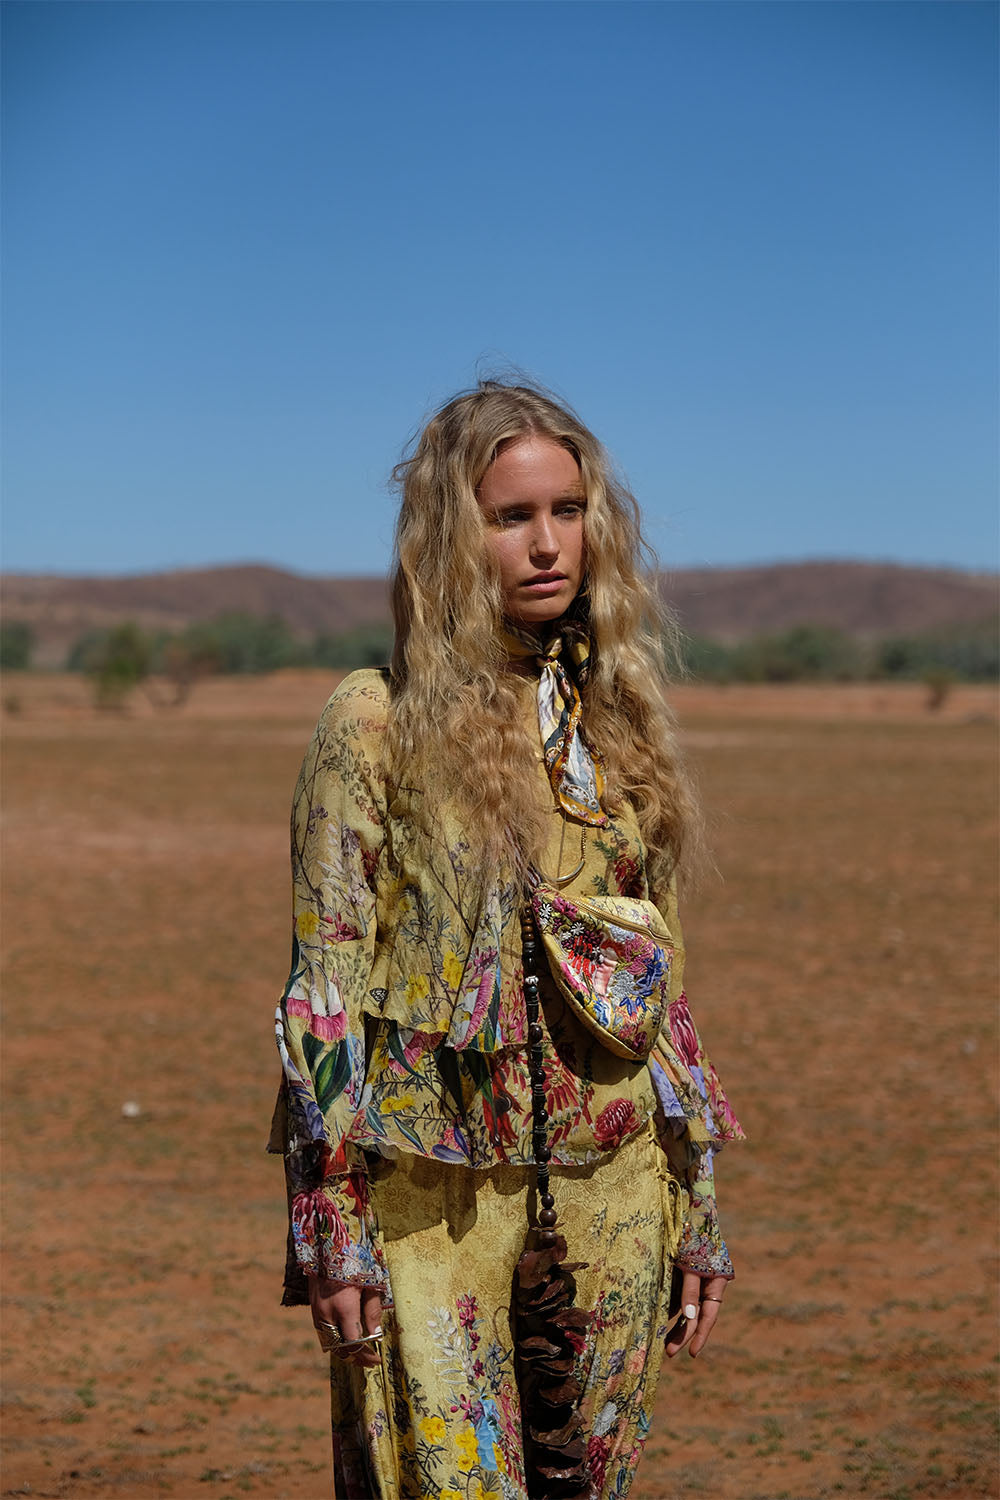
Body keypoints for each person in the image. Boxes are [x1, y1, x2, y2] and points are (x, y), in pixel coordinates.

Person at [269, 379, 744, 1500]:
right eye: (510, 516)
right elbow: (322, 995)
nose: (546, 544)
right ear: (449, 535)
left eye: (567, 511)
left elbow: (664, 997)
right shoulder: (371, 720)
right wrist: (330, 1224)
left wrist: (697, 1208)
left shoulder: (620, 724)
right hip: (429, 1201)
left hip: (616, 1190)